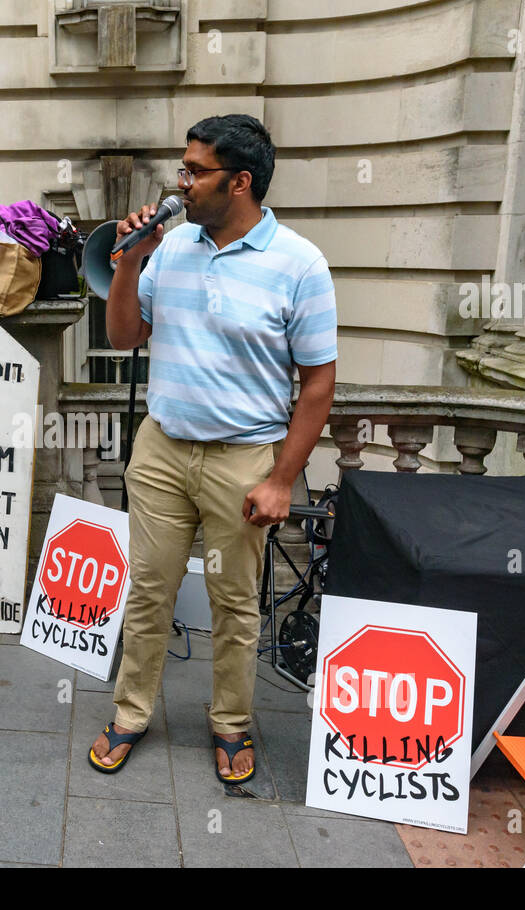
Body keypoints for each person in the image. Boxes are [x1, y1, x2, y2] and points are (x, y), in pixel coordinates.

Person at [88, 114, 337, 784]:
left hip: (243, 460)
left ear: (242, 181)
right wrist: (130, 260)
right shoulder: (170, 248)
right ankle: (130, 712)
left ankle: (231, 723)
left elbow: (317, 385)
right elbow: (122, 338)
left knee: (233, 601)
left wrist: (283, 478)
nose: (182, 182)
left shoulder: (300, 265)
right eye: (184, 167)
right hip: (163, 450)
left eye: (197, 171)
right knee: (147, 591)